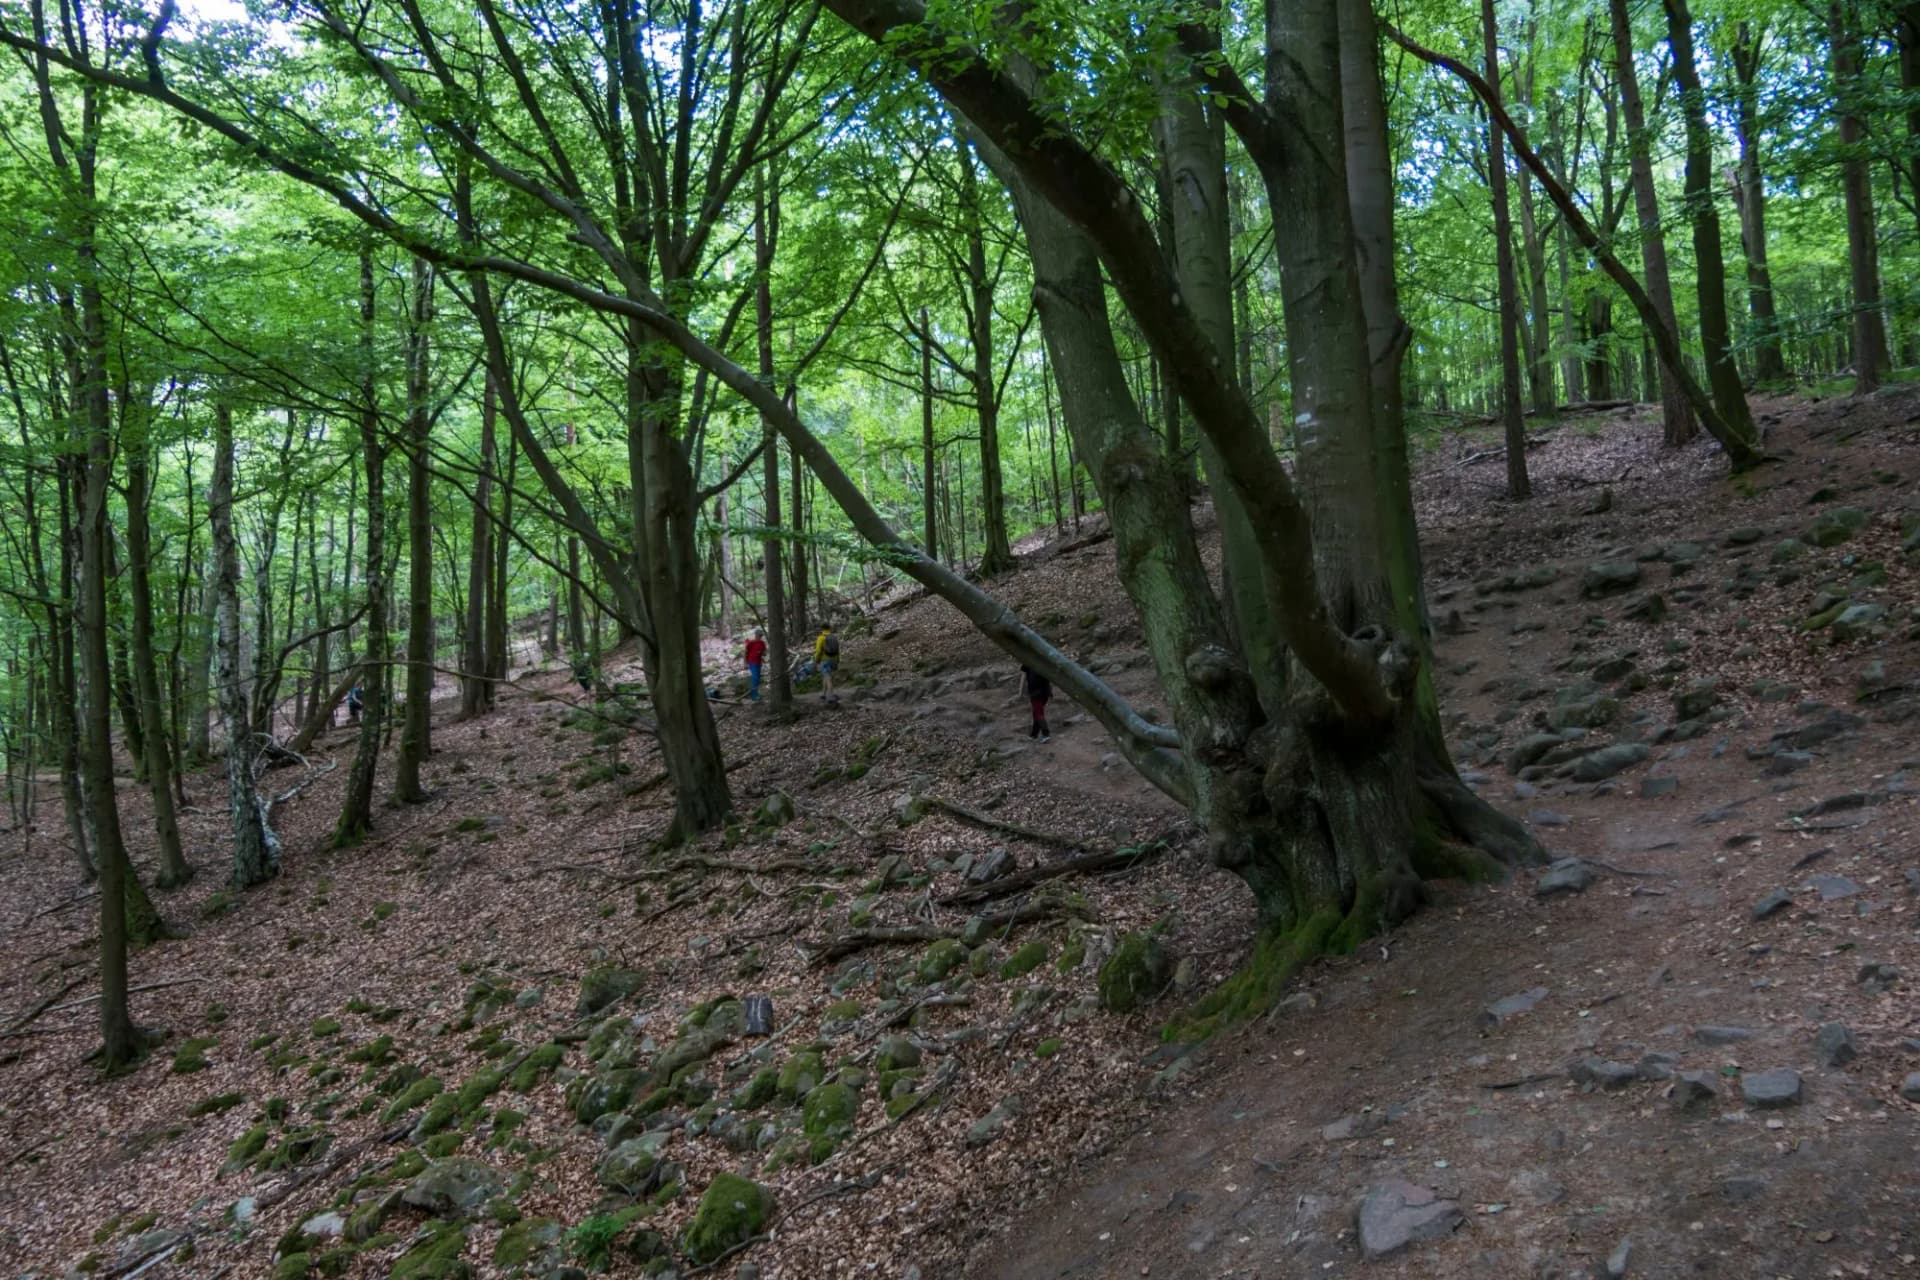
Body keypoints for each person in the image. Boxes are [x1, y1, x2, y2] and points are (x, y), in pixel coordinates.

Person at [1019, 664, 1052, 741]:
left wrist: (1020, 692)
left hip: (1036, 692)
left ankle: (1045, 733)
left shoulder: (1028, 662)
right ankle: (1034, 734)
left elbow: (1023, 676)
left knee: (1038, 713)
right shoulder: (1041, 660)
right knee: (1036, 713)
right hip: (1044, 691)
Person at [813, 622, 840, 704]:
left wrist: (816, 660)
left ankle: (831, 697)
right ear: (829, 628)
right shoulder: (834, 637)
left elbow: (818, 651)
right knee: (826, 676)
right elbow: (838, 650)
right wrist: (838, 660)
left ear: (822, 629)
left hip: (825, 660)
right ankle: (823, 694)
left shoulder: (821, 638)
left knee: (828, 678)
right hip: (834, 659)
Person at [743, 629, 767, 702]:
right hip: (751, 662)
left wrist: (761, 653)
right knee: (755, 677)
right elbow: (745, 653)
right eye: (759, 635)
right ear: (756, 635)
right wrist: (745, 663)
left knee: (757, 678)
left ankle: (756, 693)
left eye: (761, 635)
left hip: (759, 662)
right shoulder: (751, 643)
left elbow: (765, 653)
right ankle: (753, 695)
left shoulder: (762, 643)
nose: (760, 636)